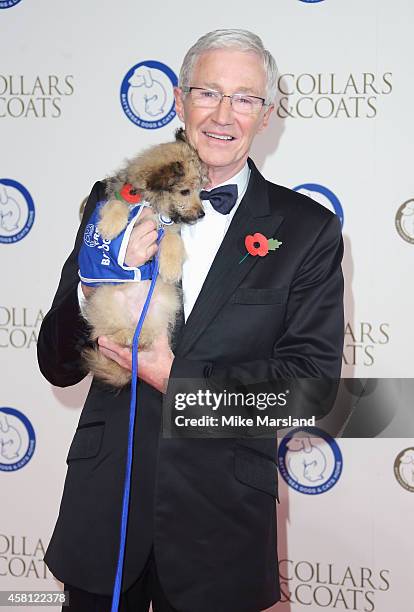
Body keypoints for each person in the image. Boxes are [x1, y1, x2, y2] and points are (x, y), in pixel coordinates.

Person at [37, 29, 344, 612]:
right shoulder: (117, 196)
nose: (224, 115)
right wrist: (100, 279)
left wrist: (175, 382)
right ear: (180, 101)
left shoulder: (307, 229)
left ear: (267, 115)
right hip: (105, 518)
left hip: (220, 527)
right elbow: (55, 363)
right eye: (208, 92)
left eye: (245, 98)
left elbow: (312, 390)